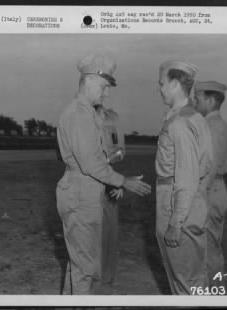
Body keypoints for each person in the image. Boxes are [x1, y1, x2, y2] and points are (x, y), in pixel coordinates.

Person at [56, 54, 151, 295]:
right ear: (89, 81)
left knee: (80, 263)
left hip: (86, 192)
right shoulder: (79, 114)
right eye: (104, 86)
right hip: (80, 194)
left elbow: (98, 159)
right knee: (85, 268)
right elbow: (90, 164)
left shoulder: (86, 112)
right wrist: (123, 181)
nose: (106, 94)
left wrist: (113, 181)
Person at [155, 60, 213, 295]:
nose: (159, 89)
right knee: (197, 282)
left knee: (184, 286)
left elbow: (186, 178)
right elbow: (205, 169)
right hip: (194, 206)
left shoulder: (180, 123)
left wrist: (175, 224)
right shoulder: (196, 117)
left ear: (175, 84)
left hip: (177, 208)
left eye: (162, 83)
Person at [194, 81, 227, 286]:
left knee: (208, 250)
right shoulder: (214, 125)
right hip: (213, 189)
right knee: (208, 247)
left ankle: (213, 297)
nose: (194, 102)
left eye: (198, 98)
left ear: (210, 101)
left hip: (209, 190)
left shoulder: (213, 126)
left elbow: (211, 166)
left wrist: (196, 197)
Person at [94, 105, 125, 294]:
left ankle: (105, 285)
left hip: (108, 180)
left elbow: (120, 149)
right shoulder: (78, 115)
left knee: (109, 234)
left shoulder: (111, 117)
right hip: (85, 182)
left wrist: (110, 160)